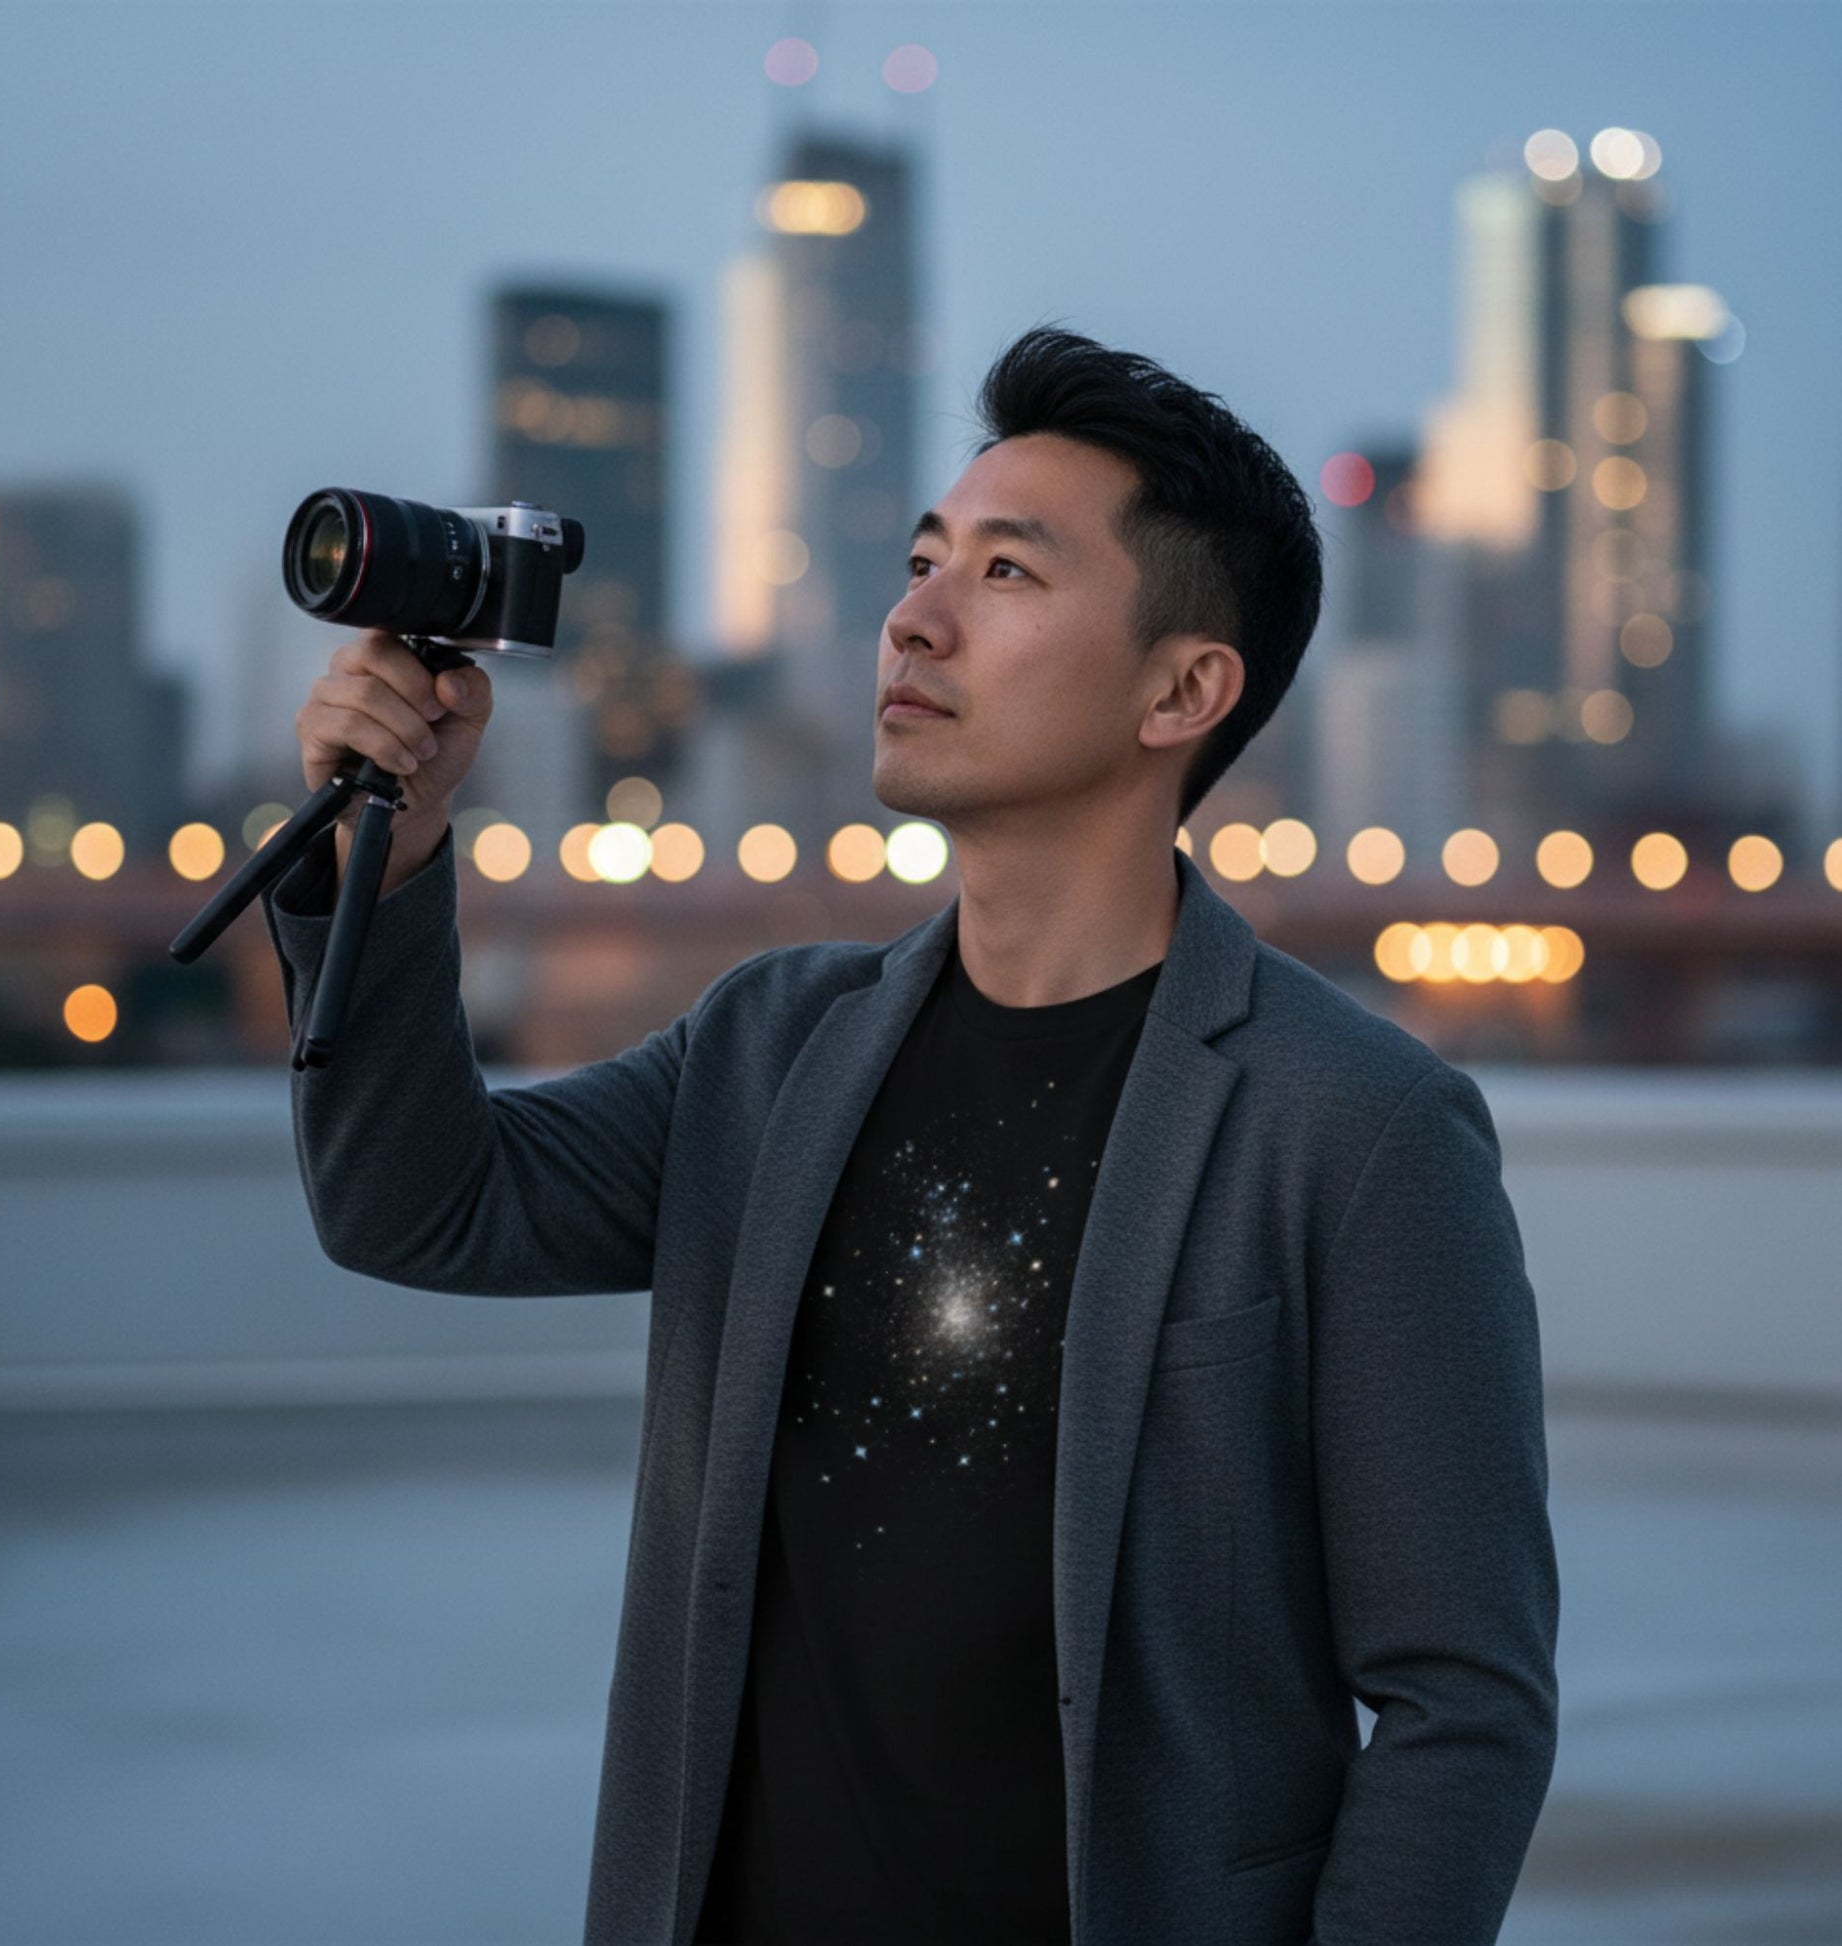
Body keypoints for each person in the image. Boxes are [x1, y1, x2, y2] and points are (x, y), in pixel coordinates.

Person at [265, 326, 1558, 1945]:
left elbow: (1462, 1704)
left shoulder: (1354, 1128)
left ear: (1183, 687)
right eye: (922, 559)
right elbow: (419, 1204)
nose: (913, 616)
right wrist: (386, 859)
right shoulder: (767, 1044)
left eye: (1007, 574)